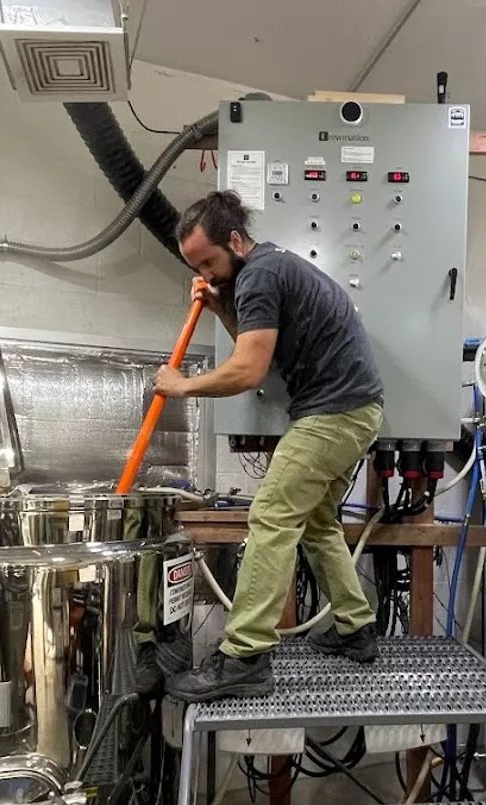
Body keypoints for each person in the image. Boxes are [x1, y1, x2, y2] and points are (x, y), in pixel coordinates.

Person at [145, 190, 385, 702]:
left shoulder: (258, 275)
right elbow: (260, 350)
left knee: (272, 517)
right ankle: (356, 628)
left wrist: (182, 385)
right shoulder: (268, 270)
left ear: (235, 240)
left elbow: (249, 370)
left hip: (334, 413)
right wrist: (218, 305)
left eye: (208, 262)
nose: (206, 275)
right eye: (196, 267)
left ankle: (246, 657)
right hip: (355, 411)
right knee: (317, 523)